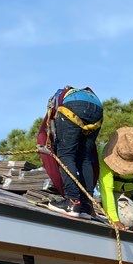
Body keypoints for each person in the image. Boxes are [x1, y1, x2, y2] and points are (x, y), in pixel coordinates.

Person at [35, 86, 103, 216]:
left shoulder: (55, 104)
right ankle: (86, 207)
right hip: (97, 109)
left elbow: (46, 133)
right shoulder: (70, 94)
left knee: (66, 154)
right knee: (85, 158)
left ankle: (72, 201)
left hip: (74, 106)